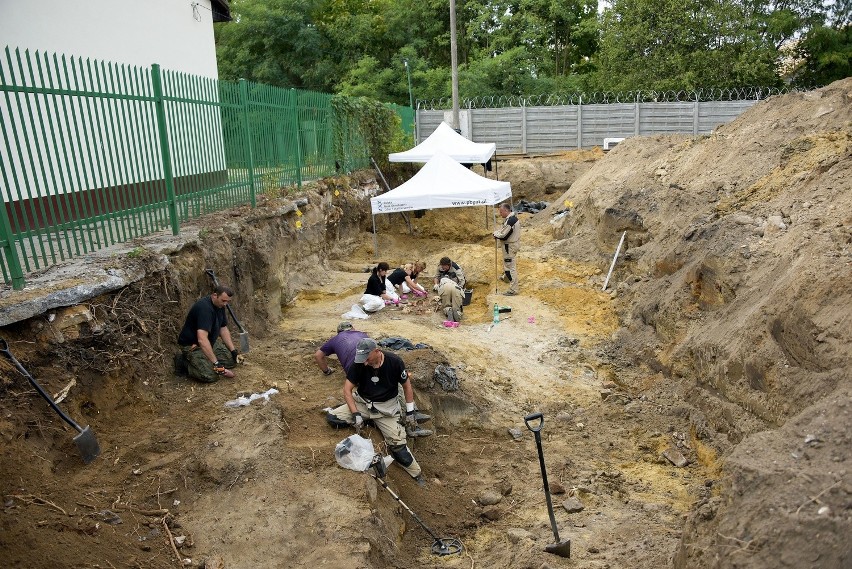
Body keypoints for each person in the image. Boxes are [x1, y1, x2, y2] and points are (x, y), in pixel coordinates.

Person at [326, 337, 427, 485]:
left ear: (377, 351)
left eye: (367, 358)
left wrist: (410, 412)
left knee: (398, 447)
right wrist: (355, 414)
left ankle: (416, 473)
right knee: (333, 418)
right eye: (362, 359)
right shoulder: (359, 363)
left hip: (386, 409)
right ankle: (368, 420)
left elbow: (406, 386)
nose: (365, 362)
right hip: (363, 403)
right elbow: (347, 390)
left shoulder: (394, 362)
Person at [317, 322, 432, 437]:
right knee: (395, 385)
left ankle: (410, 417)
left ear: (339, 332)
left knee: (393, 385)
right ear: (353, 328)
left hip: (357, 367)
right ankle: (411, 418)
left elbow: (318, 355)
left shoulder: (335, 339)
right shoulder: (362, 335)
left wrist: (327, 371)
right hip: (361, 366)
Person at [177, 285, 239, 382]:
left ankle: (206, 358)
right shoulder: (204, 309)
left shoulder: (220, 305)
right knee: (211, 376)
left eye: (228, 301)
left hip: (209, 342)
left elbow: (223, 329)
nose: (226, 304)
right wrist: (216, 363)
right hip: (193, 346)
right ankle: (184, 362)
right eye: (224, 301)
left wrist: (233, 351)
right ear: (215, 295)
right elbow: (202, 339)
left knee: (231, 362)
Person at [493, 202, 520, 295]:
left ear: (506, 210)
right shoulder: (510, 219)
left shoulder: (511, 221)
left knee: (511, 266)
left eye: (501, 212)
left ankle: (513, 289)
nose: (500, 214)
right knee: (508, 265)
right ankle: (507, 278)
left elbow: (504, 235)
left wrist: (496, 235)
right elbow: (504, 231)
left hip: (509, 246)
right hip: (510, 245)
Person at [433, 256, 465, 323]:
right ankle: (457, 313)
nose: (443, 268)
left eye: (445, 267)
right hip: (454, 287)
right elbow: (436, 276)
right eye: (442, 267)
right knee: (457, 306)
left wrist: (460, 287)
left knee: (446, 305)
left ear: (449, 265)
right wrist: (436, 284)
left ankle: (448, 310)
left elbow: (462, 280)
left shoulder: (456, 268)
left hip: (447, 287)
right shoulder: (440, 267)